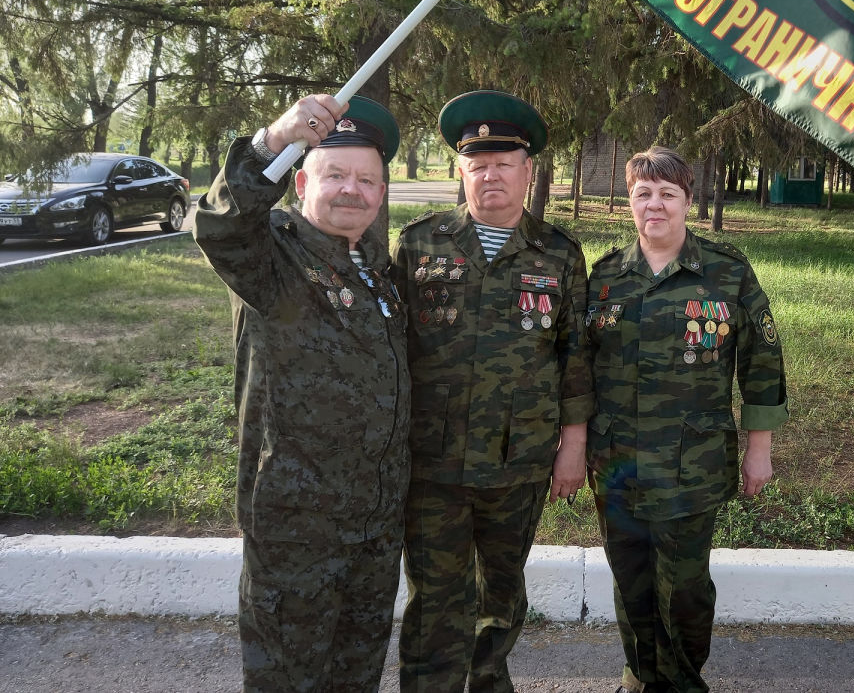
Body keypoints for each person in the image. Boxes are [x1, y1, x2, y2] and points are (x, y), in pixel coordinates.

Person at [193, 93, 410, 693]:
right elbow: (220, 224)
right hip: (298, 534)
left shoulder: (375, 267)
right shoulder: (274, 256)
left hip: (373, 529)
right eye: (335, 173)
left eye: (368, 179)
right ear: (299, 182)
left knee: (355, 678)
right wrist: (269, 141)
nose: (352, 190)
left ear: (382, 193)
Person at [389, 89, 593, 693]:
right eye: (478, 164)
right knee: (433, 595)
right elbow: (395, 348)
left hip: (519, 457)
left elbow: (574, 355)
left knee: (500, 594)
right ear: (461, 170)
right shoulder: (421, 243)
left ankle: (486, 684)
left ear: (528, 171)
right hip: (434, 459)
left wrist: (573, 443)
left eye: (504, 164)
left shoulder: (559, 253)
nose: (491, 176)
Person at [586, 145, 788, 693]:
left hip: (690, 463)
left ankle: (681, 680)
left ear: (687, 201)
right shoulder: (605, 277)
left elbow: (763, 360)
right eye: (643, 193)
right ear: (630, 201)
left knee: (685, 586)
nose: (655, 205)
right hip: (616, 462)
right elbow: (577, 368)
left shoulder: (726, 272)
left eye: (667, 194)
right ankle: (639, 674)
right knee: (629, 577)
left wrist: (759, 448)